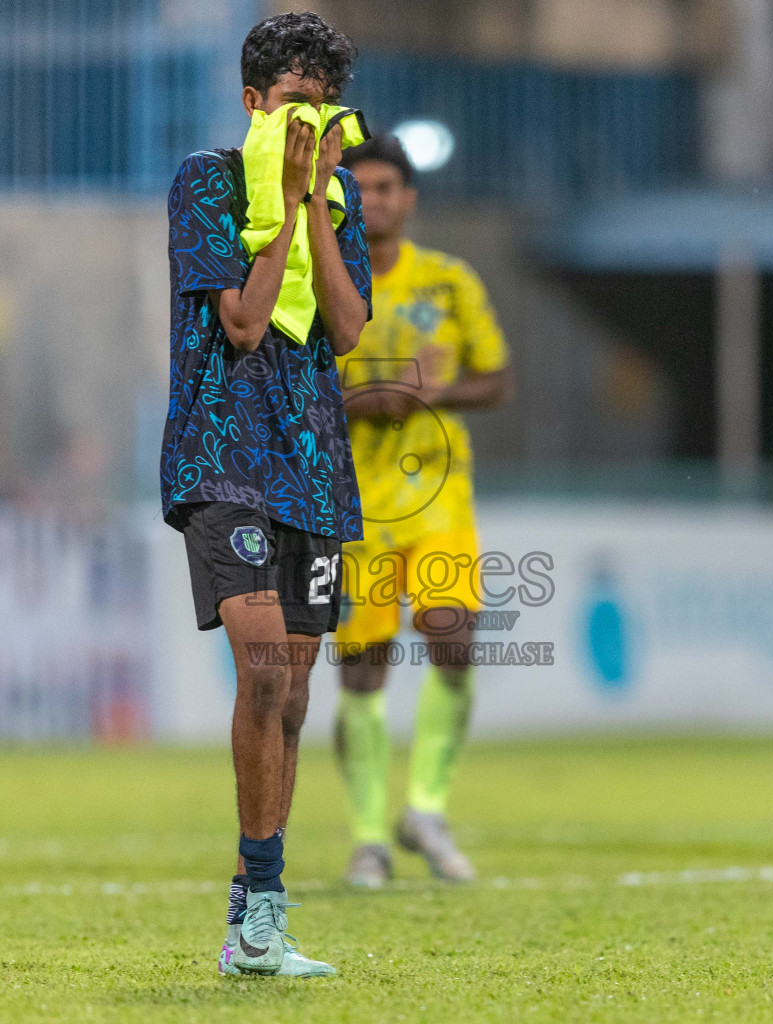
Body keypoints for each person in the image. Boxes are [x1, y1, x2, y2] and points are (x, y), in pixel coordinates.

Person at [160, 11, 370, 977]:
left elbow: (350, 325)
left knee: (295, 697)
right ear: (253, 102)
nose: (310, 125)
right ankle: (264, 909)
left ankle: (255, 917)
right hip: (222, 456)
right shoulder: (206, 182)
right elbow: (243, 323)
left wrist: (319, 205)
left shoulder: (340, 197)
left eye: (323, 108)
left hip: (312, 464)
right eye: (294, 104)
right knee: (265, 674)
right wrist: (282, 203)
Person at [334, 135, 513, 888]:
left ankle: (427, 811)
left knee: (455, 640)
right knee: (363, 673)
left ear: (408, 198)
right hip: (354, 505)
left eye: (384, 187)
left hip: (440, 499)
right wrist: (371, 401)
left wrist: (432, 395)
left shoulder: (448, 280)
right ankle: (371, 836)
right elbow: (295, 395)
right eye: (359, 189)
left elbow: (495, 379)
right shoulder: (323, 285)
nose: (372, 200)